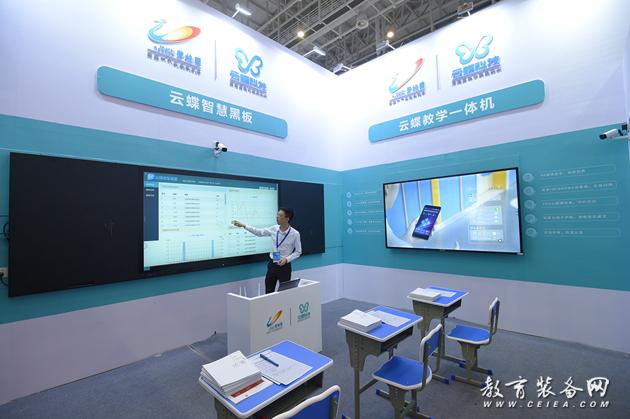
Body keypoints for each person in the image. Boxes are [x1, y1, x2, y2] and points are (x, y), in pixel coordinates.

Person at [232, 207, 302, 294]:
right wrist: (244, 226)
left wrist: (287, 259)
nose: (277, 217)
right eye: (277, 215)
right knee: (268, 292)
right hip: (272, 265)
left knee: (284, 293)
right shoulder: (274, 229)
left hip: (285, 267)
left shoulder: (295, 234)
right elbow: (259, 232)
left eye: (280, 215)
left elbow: (298, 252)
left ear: (287, 218)